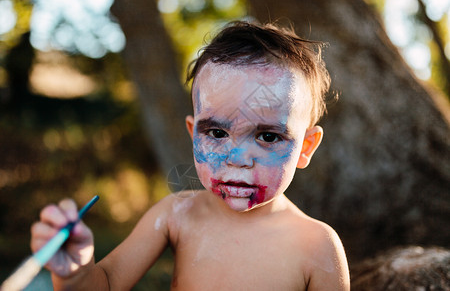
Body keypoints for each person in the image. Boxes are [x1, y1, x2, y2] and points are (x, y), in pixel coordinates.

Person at [31, 21, 350, 290]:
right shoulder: (176, 215)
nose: (237, 158)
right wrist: (75, 272)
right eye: (216, 133)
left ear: (305, 147)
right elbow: (107, 283)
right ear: (192, 133)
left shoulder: (317, 246)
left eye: (267, 136)